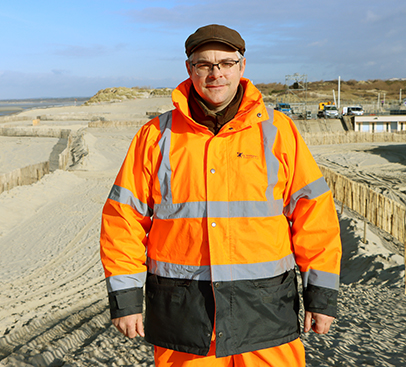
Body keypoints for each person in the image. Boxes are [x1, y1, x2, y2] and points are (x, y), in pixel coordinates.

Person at [99, 24, 342, 366]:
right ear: (189, 69)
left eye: (226, 63)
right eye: (205, 64)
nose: (216, 74)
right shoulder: (154, 136)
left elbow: (314, 217)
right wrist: (125, 300)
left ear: (242, 67)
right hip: (184, 320)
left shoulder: (278, 131)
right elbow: (122, 220)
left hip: (266, 316)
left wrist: (320, 298)